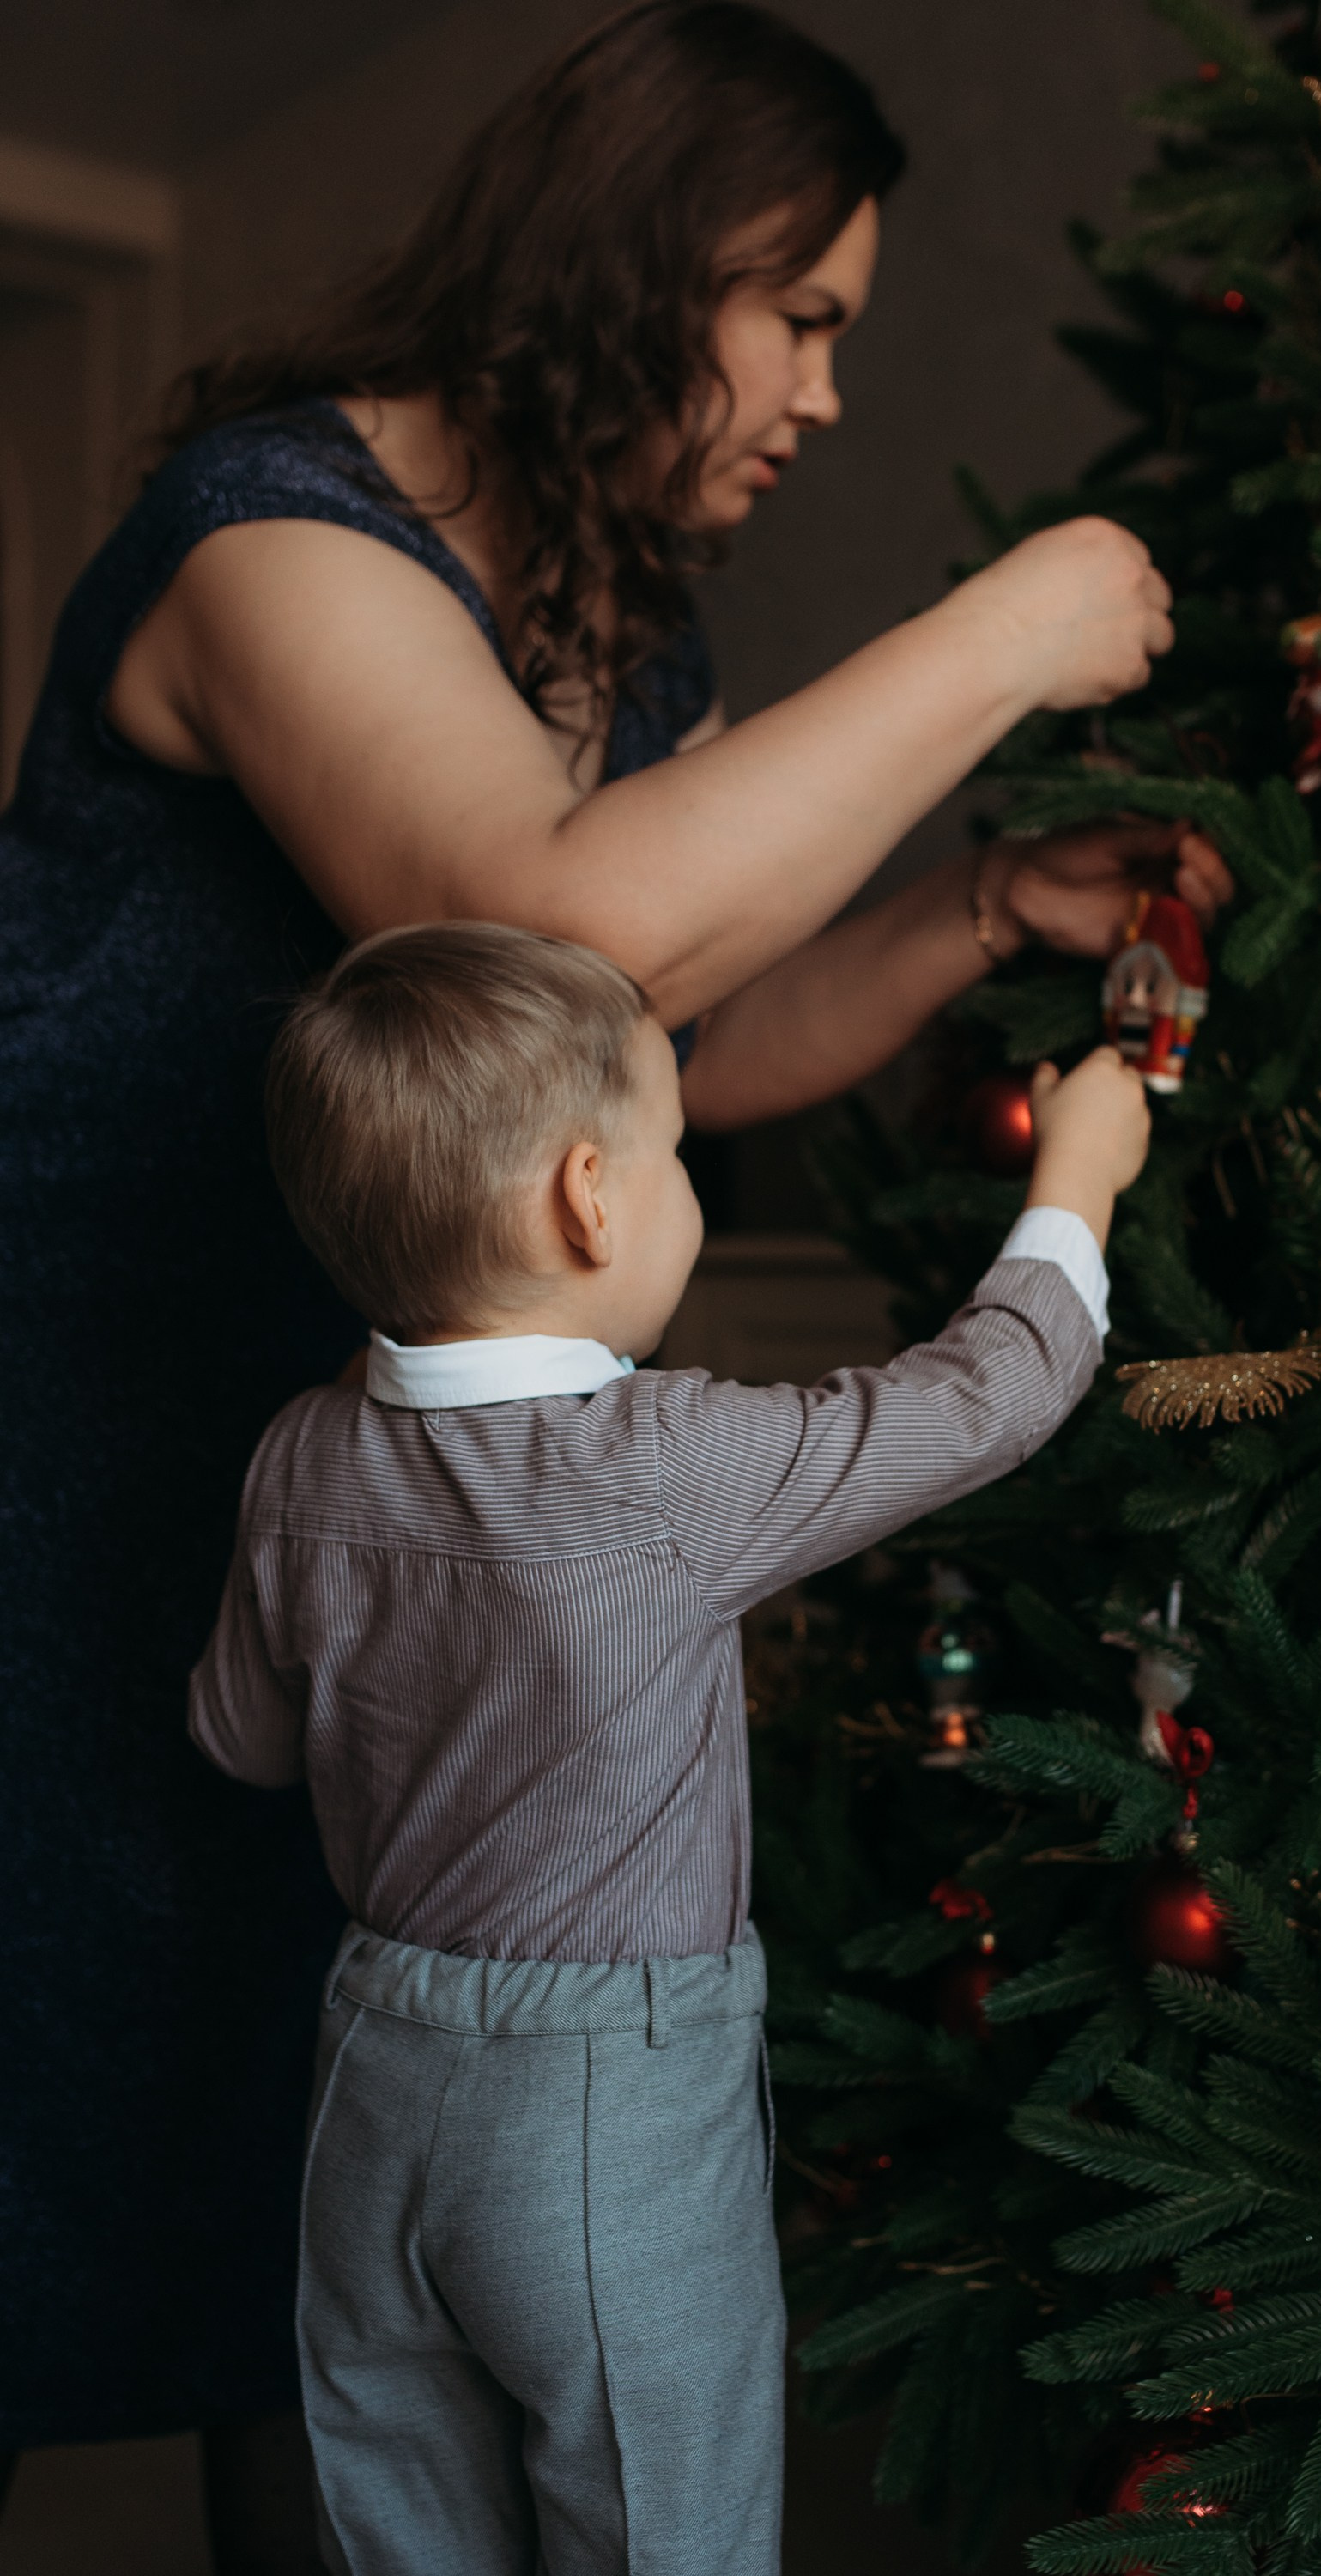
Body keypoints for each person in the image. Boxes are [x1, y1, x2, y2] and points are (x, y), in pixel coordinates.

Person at [0, 0, 1228, 2543]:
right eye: (804, 317)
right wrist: (1011, 629)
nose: (824, 397)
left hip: (390, 1525)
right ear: (658, 260)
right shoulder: (272, 537)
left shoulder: (618, 643)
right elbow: (547, 921)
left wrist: (978, 906)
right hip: (77, 1457)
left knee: (314, 2240)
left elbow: (655, 1038)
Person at [188, 920, 1151, 2575]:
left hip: (370, 2087)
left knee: (403, 2530)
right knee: (661, 2527)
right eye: (679, 1150)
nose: (685, 1184)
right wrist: (1080, 1174)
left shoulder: (301, 1459)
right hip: (602, 2108)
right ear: (589, 1199)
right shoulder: (665, 1464)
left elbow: (241, 1737)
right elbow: (985, 1397)